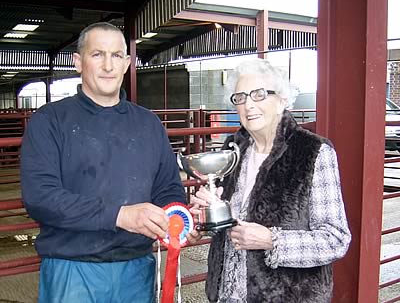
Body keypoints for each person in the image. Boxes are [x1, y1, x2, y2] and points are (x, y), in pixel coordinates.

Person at [20, 22, 186, 303]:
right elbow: (41, 197)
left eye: (116, 55)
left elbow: (168, 189)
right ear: (78, 62)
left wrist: (176, 220)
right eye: (97, 54)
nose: (108, 65)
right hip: (72, 267)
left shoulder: (148, 123)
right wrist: (120, 215)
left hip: (136, 267)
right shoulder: (49, 121)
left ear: (127, 63)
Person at [188, 58, 351, 302]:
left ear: (282, 100)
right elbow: (224, 223)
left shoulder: (314, 152)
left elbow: (336, 239)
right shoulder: (232, 151)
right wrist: (201, 219)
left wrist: (272, 240)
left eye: (259, 94)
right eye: (240, 97)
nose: (249, 105)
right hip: (226, 296)